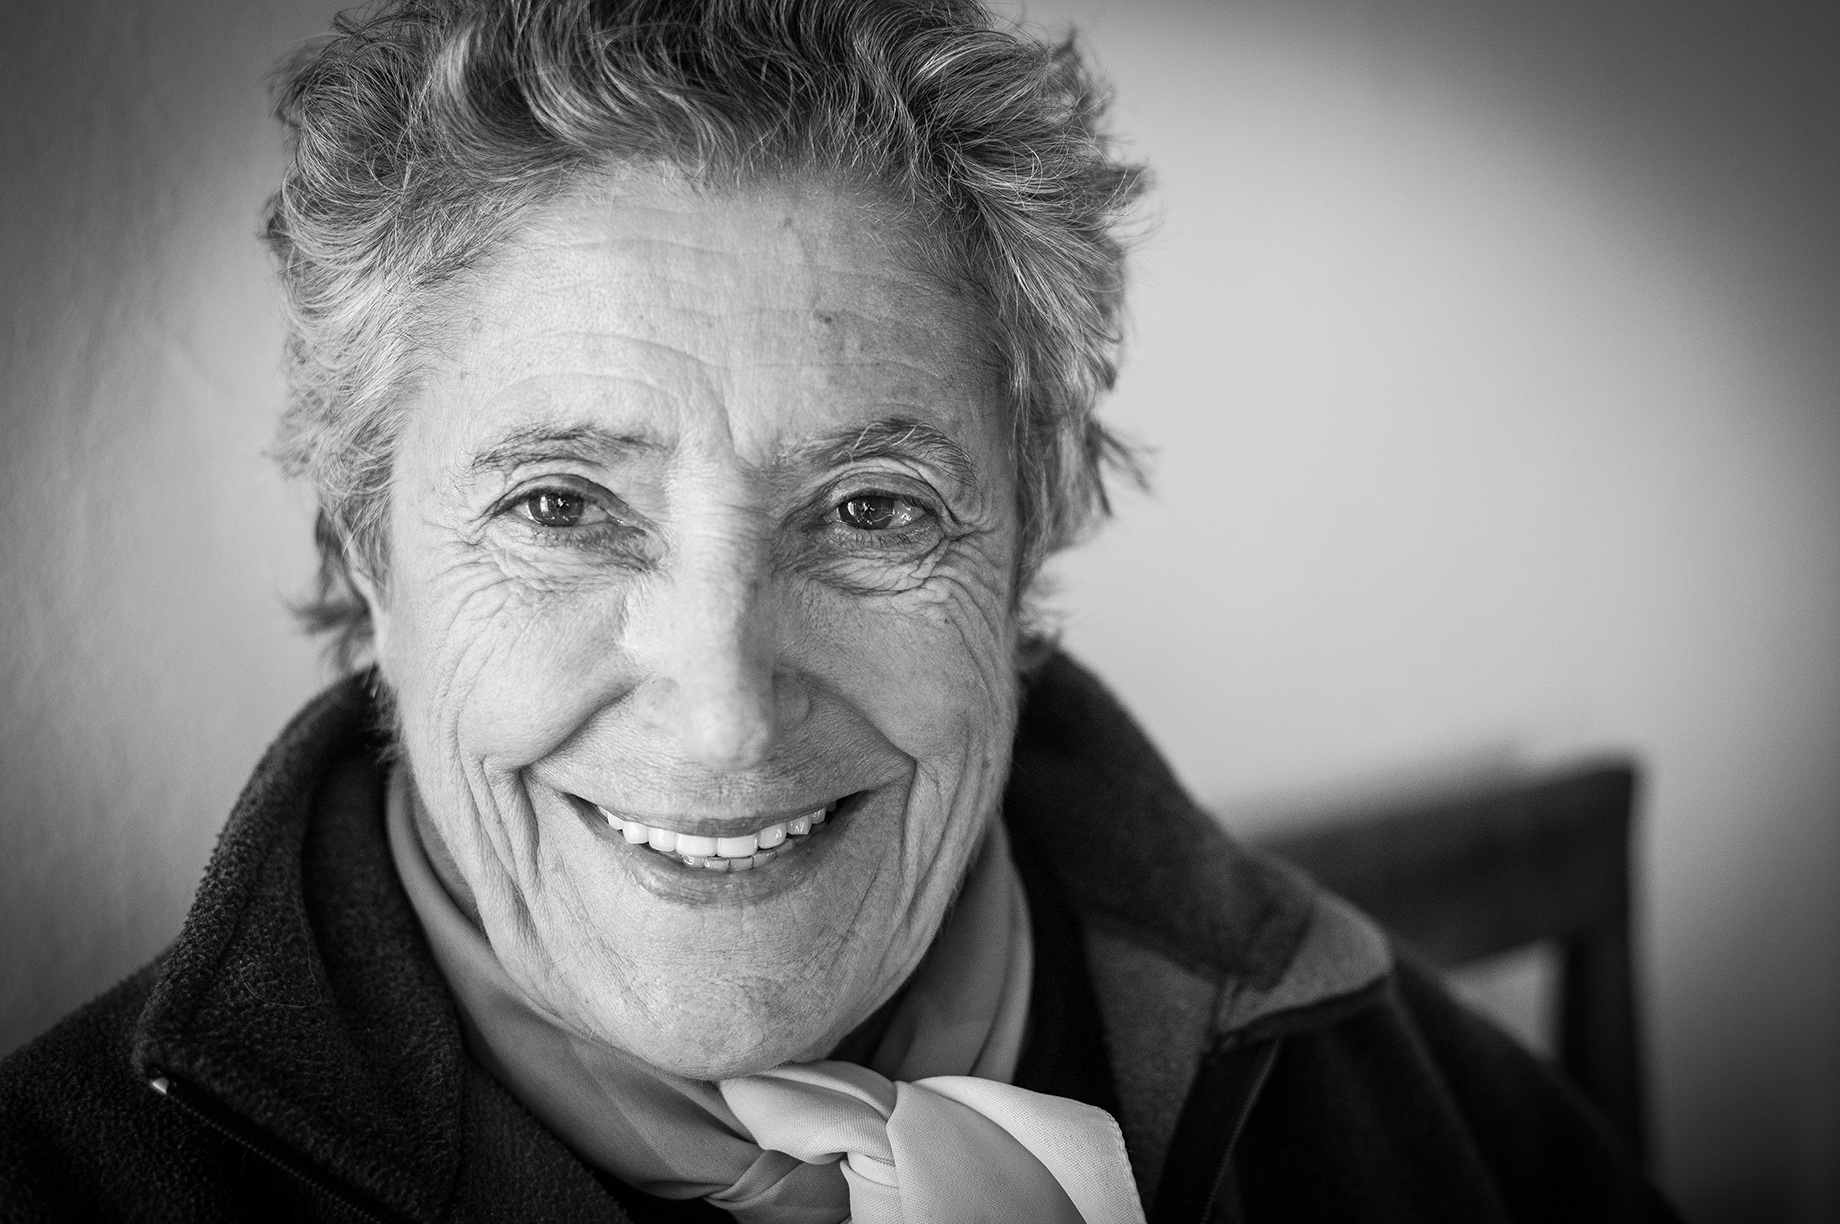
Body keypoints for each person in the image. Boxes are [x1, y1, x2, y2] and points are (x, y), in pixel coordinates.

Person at [0, 1, 1676, 1219]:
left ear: (1027, 561)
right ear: (371, 562)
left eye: (874, 511)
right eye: (561, 509)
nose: (724, 713)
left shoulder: (1390, 1085)